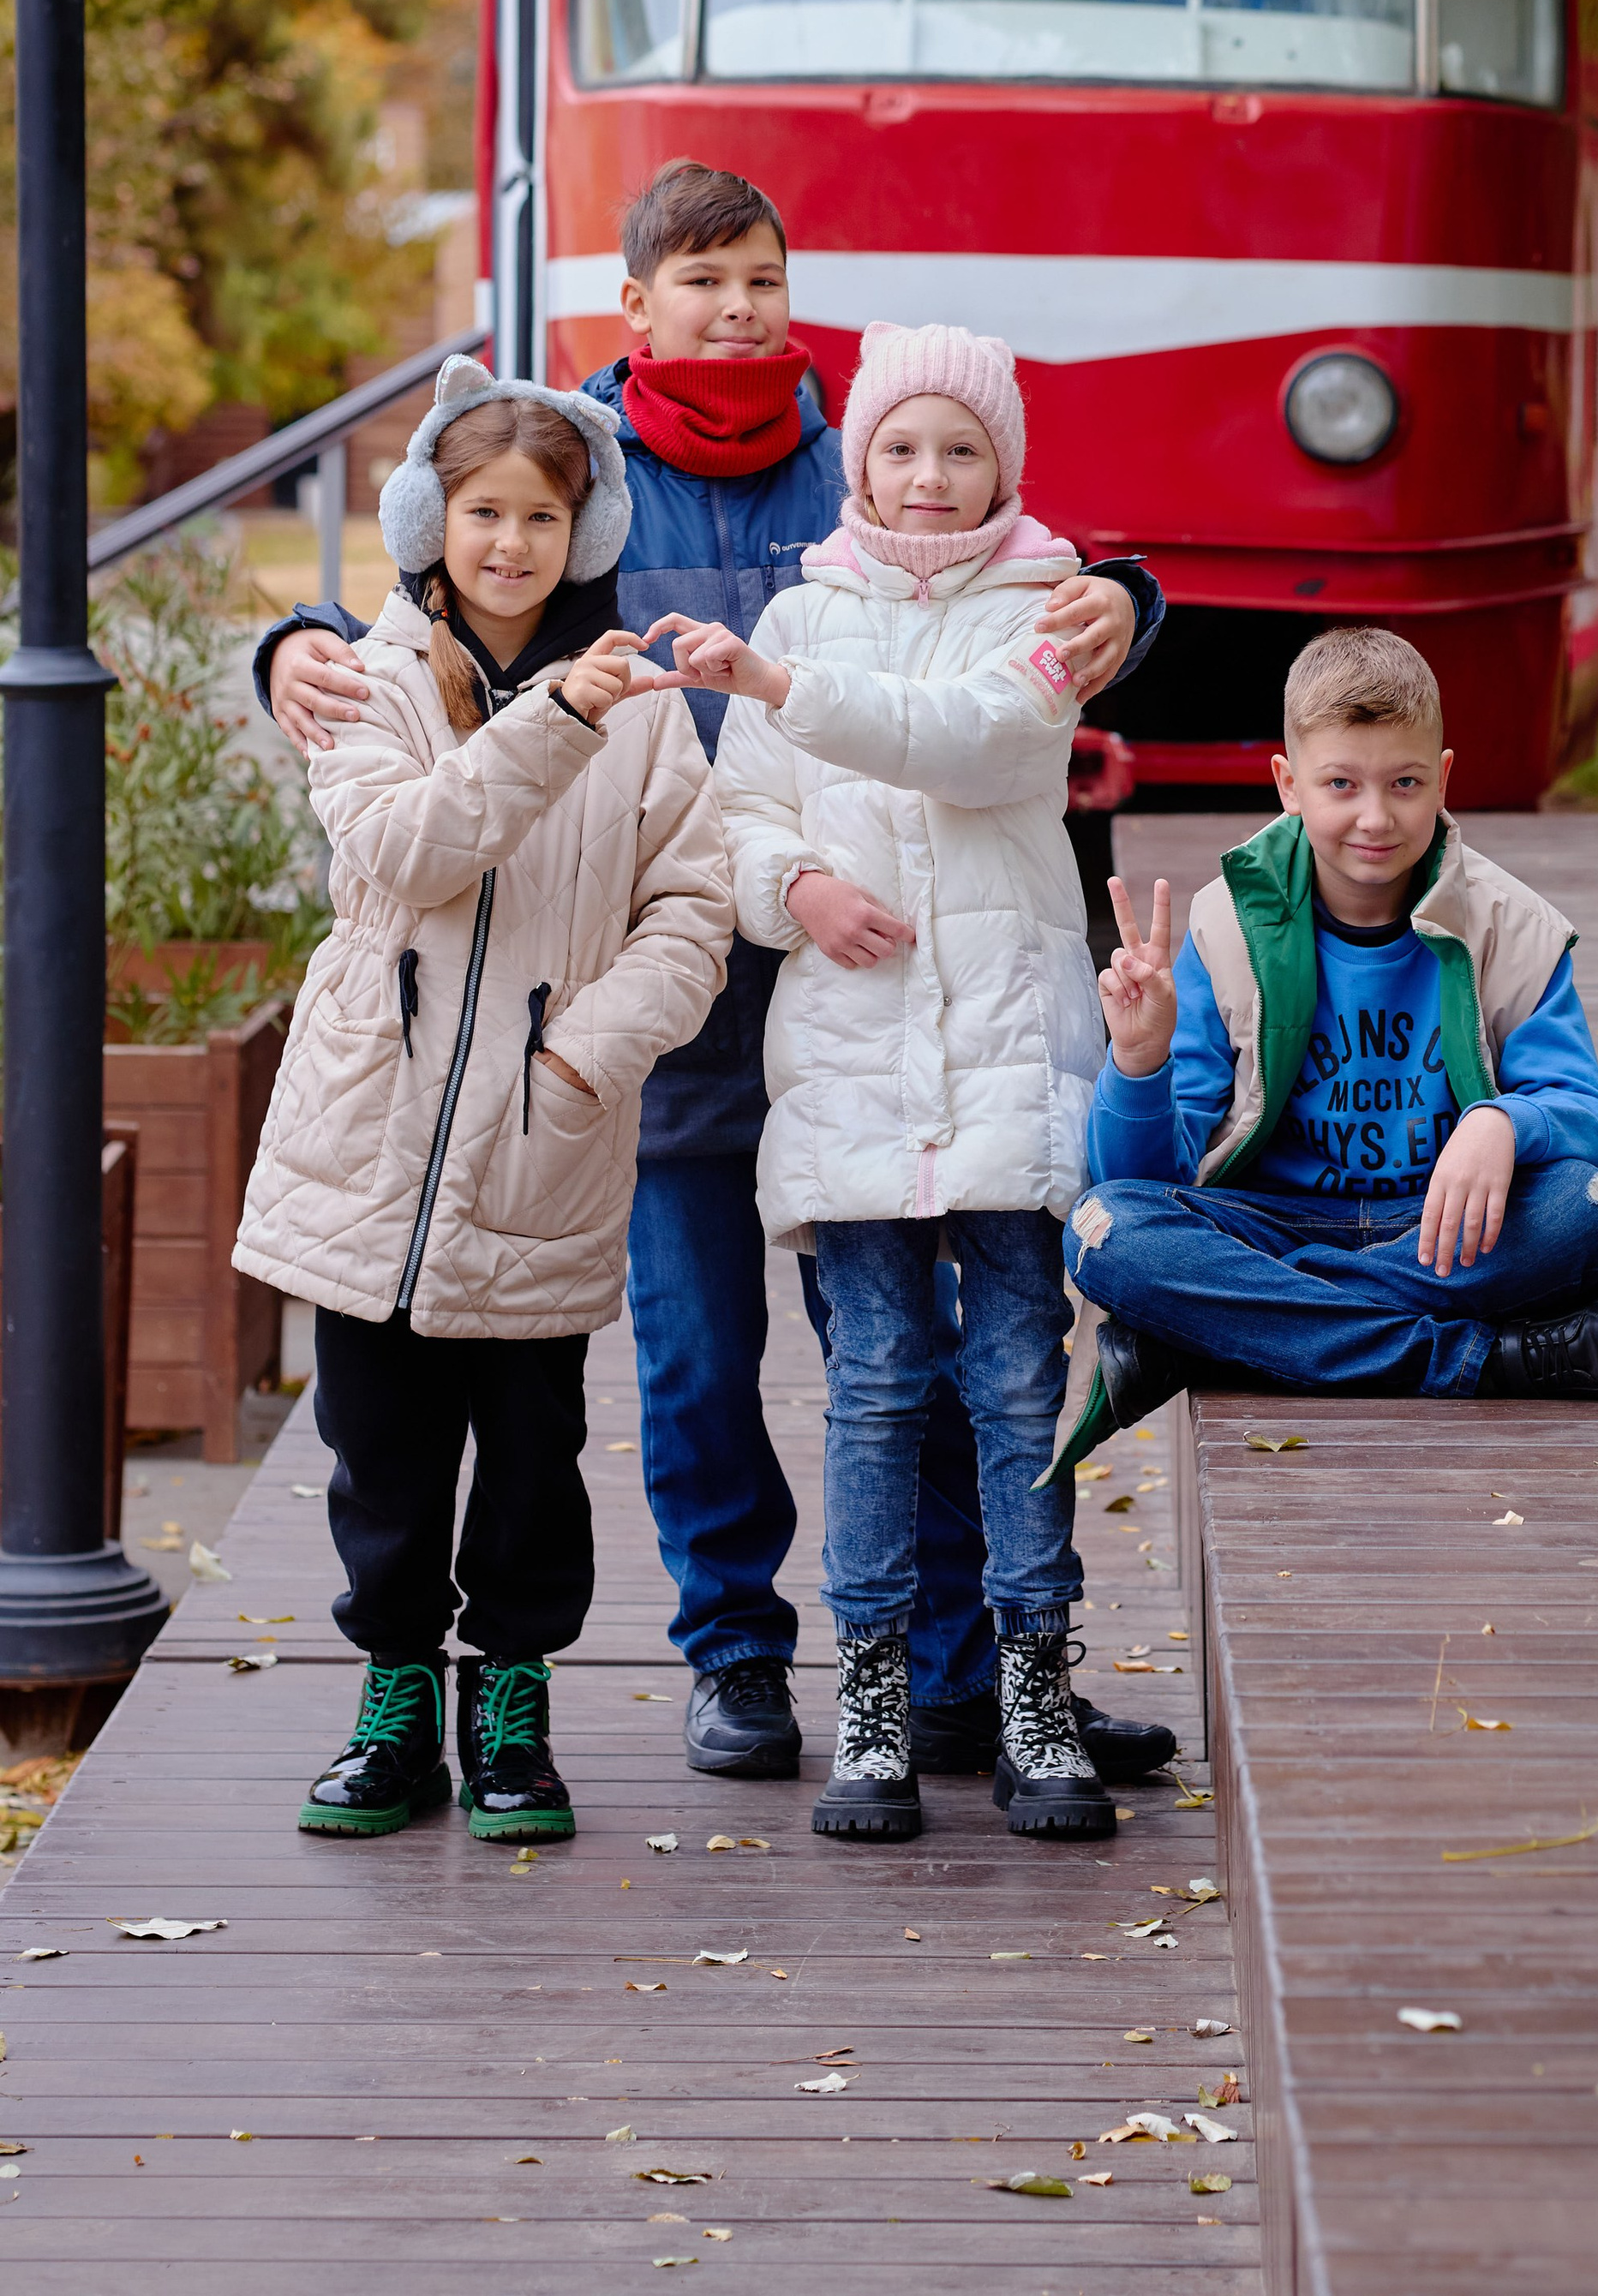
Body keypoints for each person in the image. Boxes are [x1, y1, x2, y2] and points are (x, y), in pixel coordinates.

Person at [253, 161, 1175, 1791]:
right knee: (694, 1360)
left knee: (913, 1351)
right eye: (702, 281)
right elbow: (464, 563)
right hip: (655, 986)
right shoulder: (588, 467)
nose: (737, 307)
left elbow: (1019, 579)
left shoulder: (874, 455)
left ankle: (970, 1671)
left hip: (875, 1000)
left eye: (762, 275)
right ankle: (739, 1654)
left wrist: (1131, 597)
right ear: (640, 304)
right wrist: (289, 643)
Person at [235, 359, 737, 1844]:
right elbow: (406, 854)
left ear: (582, 534)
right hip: (368, 1143)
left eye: (540, 515)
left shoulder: (640, 705)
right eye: (481, 511)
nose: (509, 542)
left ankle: (509, 1695)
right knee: (378, 1453)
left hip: (542, 1140)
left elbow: (694, 910)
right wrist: (552, 724)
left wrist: (592, 1051)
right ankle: (396, 1694)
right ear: (431, 518)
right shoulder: (365, 676)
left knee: (531, 1460)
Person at [698, 323, 1114, 1845]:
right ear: (857, 461)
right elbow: (734, 814)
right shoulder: (801, 612)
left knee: (1018, 1380)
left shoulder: (1053, 611)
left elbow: (984, 749)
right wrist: (793, 883)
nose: (929, 476)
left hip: (1008, 1040)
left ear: (1005, 463)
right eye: (899, 447)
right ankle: (869, 1696)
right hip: (855, 1051)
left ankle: (1034, 1688)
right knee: (872, 1384)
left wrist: (782, 683)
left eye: (961, 447)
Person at [1047, 627, 1598, 1471]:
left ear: (1442, 778)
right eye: (1342, 783)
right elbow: (1140, 1177)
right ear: (1289, 786)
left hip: (1439, 1228)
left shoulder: (1509, 926)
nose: (1376, 816)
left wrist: (1504, 1123)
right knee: (1104, 1228)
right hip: (1272, 1223)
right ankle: (1480, 1359)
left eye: (1404, 783)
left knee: (1583, 1206)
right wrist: (1139, 1061)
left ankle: (1230, 1335)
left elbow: (1589, 1119)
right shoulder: (1228, 927)